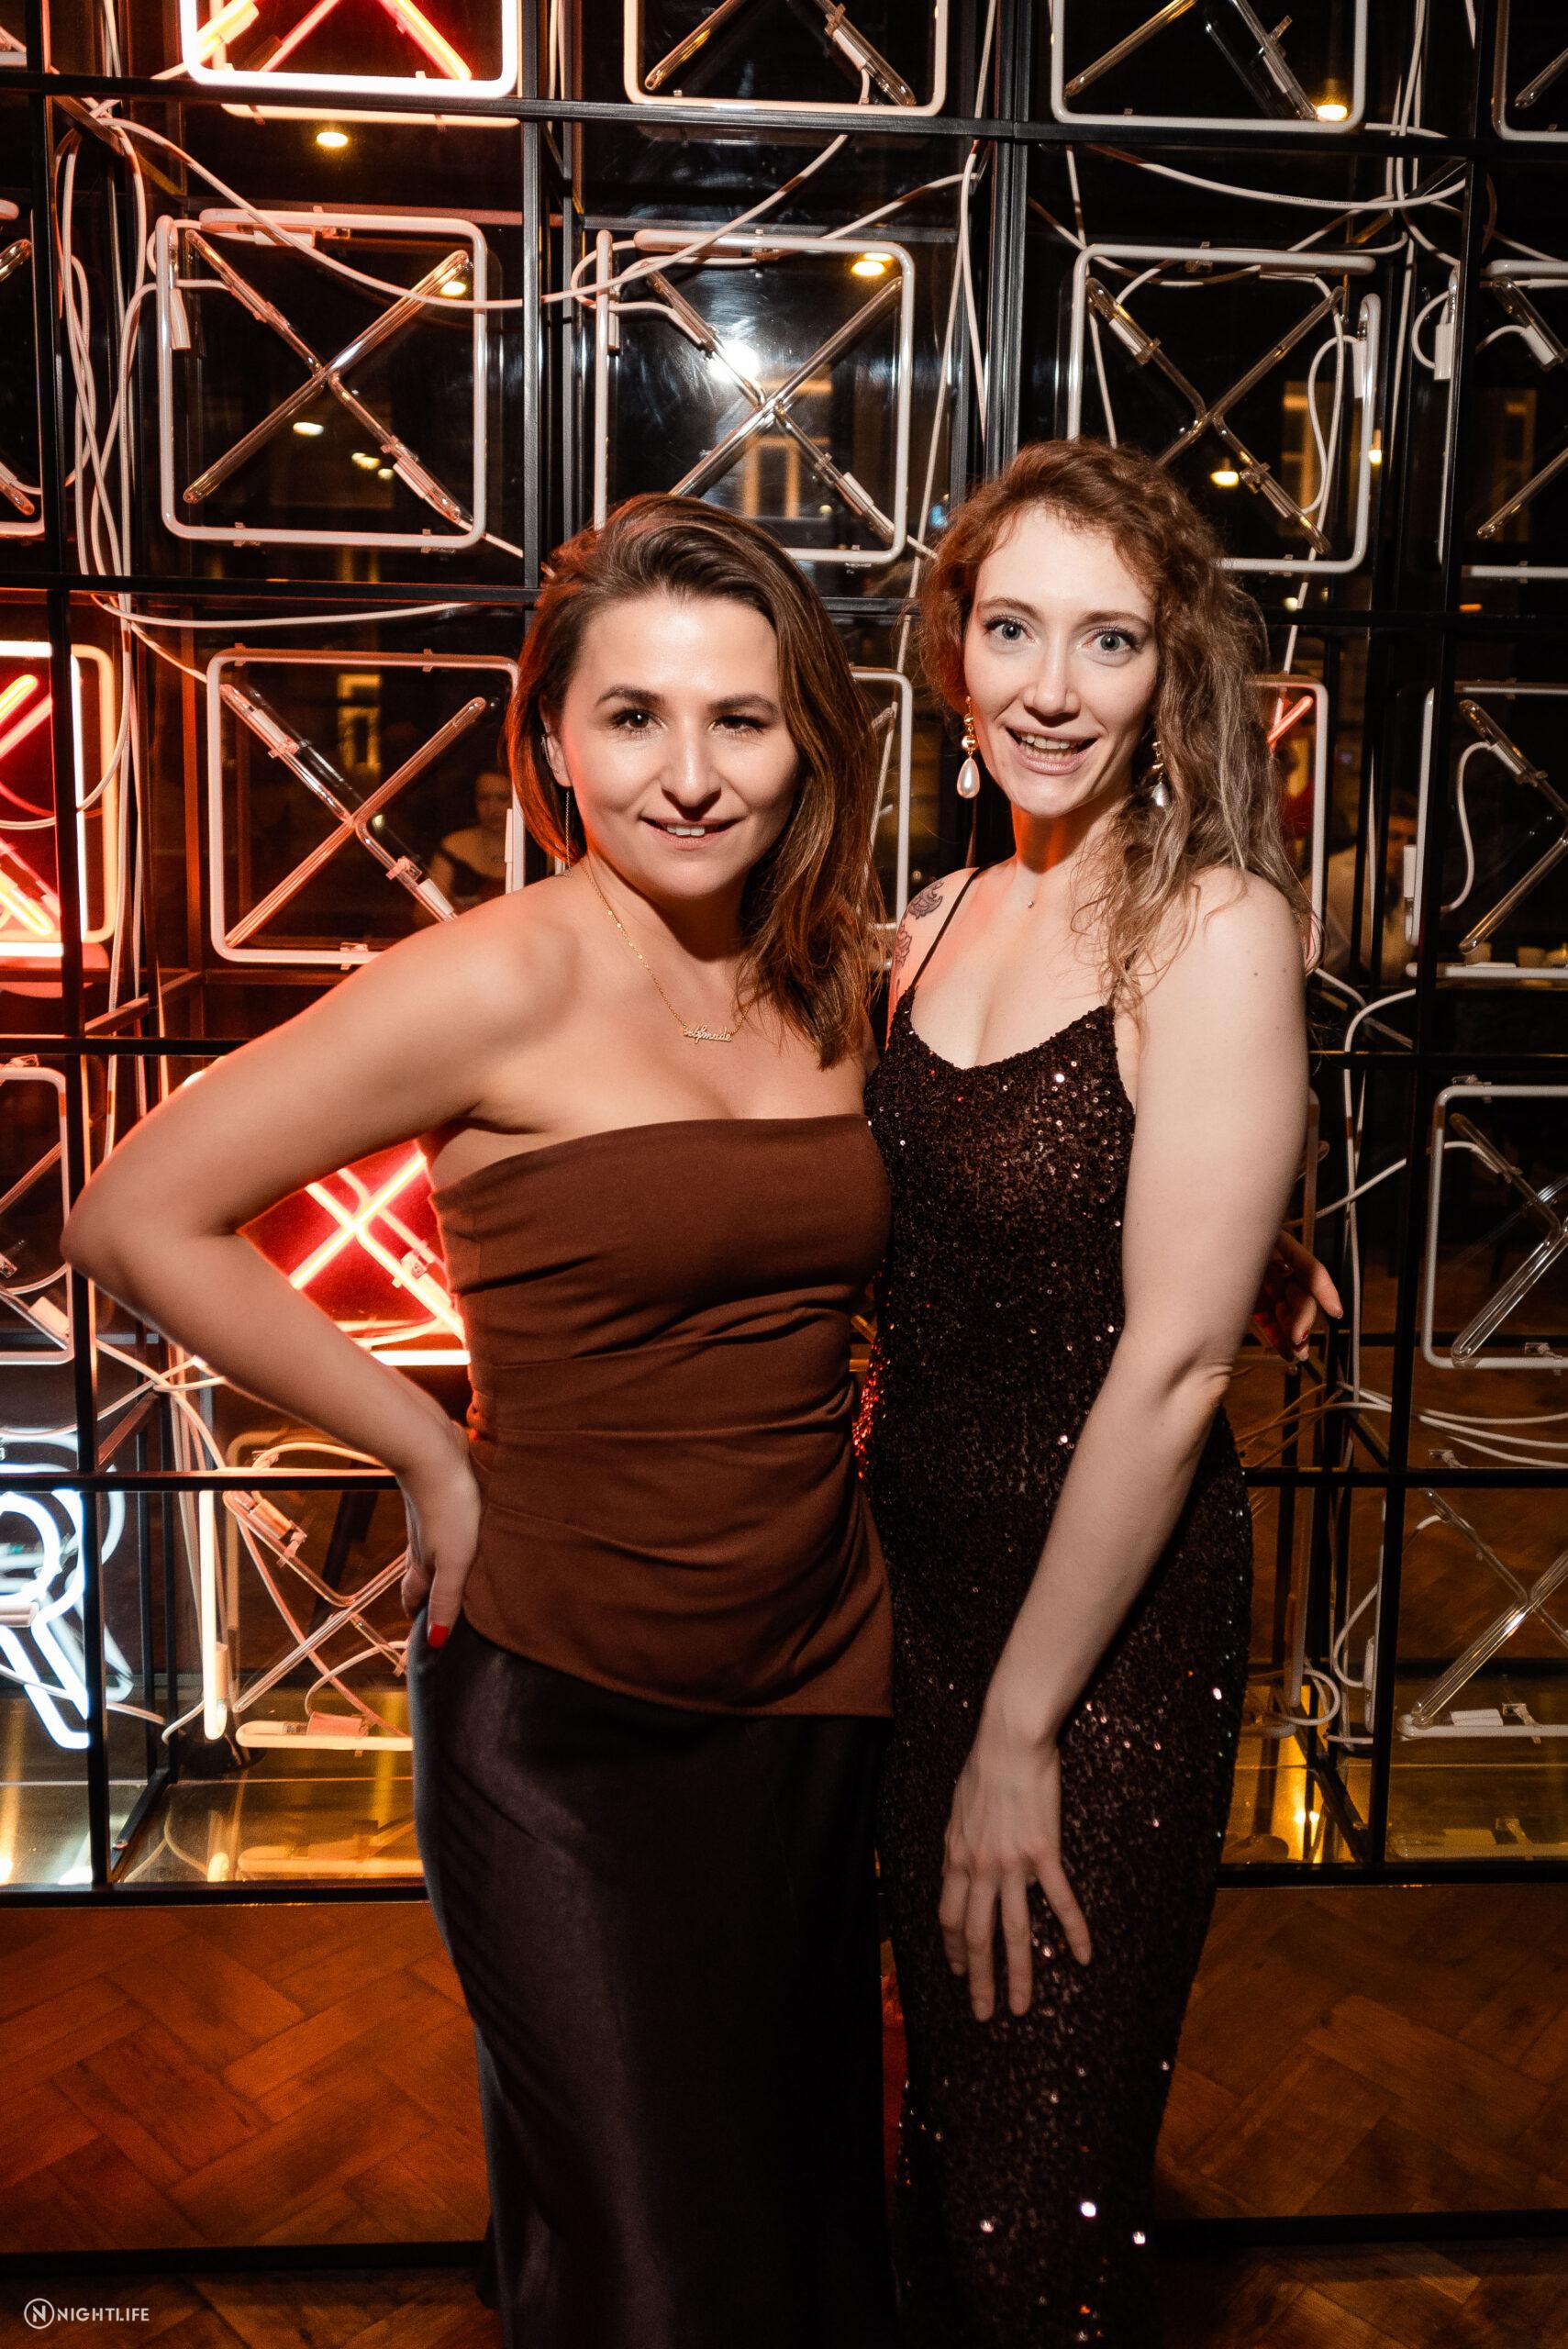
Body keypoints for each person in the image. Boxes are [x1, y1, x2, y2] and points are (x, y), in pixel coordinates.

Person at [59, 495, 899, 2349]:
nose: (690, 775)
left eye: (740, 720)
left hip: (813, 1693)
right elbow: (133, 1212)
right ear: (551, 744)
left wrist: (1245, 1247)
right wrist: (423, 1445)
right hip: (564, 1716)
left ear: (808, 745)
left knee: (794, 2227)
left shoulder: (839, 975)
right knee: (649, 2273)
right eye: (632, 718)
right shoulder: (492, 976)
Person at [853, 436, 1326, 2347]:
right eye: (1011, 629)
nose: (1050, 687)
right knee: (928, 2127)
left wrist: (1017, 1725)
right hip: (903, 1589)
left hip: (1098, 1636)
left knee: (1028, 2187)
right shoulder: (926, 922)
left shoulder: (1210, 927)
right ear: (952, 652)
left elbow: (1174, 1360)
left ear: (1164, 671)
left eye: (1106, 640)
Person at [429, 766, 511, 911]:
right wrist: (460, 909)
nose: (492, 808)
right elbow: (424, 913)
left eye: (502, 798)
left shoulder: (539, 850)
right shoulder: (453, 846)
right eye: (484, 798)